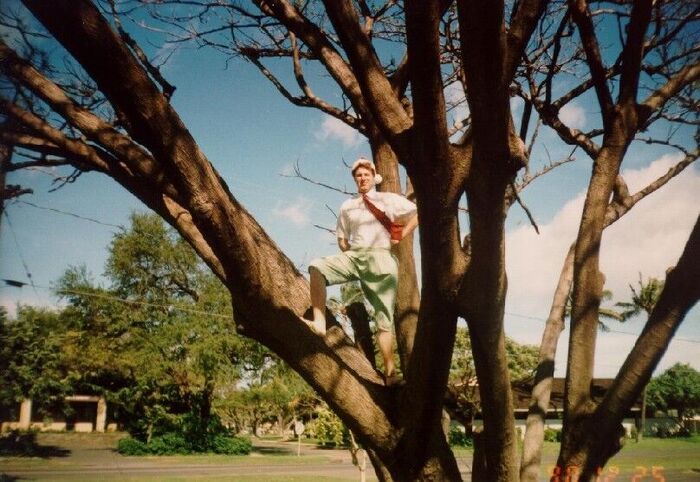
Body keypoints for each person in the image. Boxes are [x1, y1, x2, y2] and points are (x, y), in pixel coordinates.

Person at [301, 157, 418, 384]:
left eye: (366, 174)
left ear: (374, 177)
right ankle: (319, 323)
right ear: (355, 180)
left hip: (382, 259)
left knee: (384, 319)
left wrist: (402, 235)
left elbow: (416, 212)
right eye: (358, 176)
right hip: (356, 256)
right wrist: (351, 254)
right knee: (317, 267)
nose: (362, 178)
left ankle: (390, 374)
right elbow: (342, 239)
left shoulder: (388, 200)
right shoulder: (348, 206)